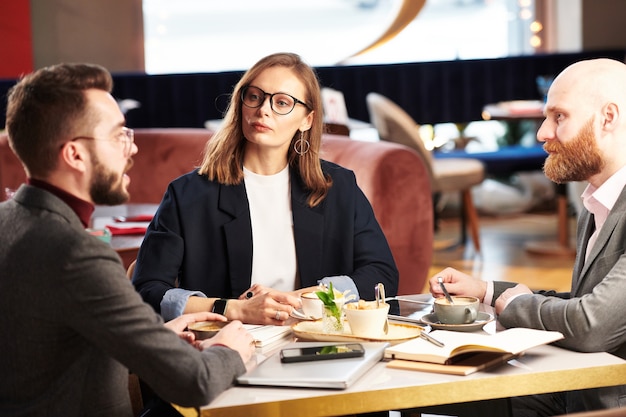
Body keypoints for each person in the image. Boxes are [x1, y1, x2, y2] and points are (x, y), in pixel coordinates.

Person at [0, 62, 256, 417]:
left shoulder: (7, 219)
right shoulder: (78, 254)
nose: (131, 149)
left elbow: (50, 345)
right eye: (119, 135)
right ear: (75, 154)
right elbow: (196, 382)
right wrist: (229, 349)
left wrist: (157, 336)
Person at [132, 52, 398, 324]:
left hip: (316, 340)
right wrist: (234, 309)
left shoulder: (339, 187)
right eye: (254, 97)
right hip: (225, 343)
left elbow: (381, 275)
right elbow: (147, 290)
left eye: (282, 102)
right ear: (241, 104)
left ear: (307, 119)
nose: (263, 110)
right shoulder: (188, 194)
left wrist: (304, 298)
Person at [429, 58, 626, 415]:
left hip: (605, 405)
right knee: (431, 391)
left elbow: (591, 324)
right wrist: (486, 291)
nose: (542, 133)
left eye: (559, 116)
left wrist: (517, 306)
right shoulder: (597, 203)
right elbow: (589, 301)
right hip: (573, 386)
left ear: (608, 118)